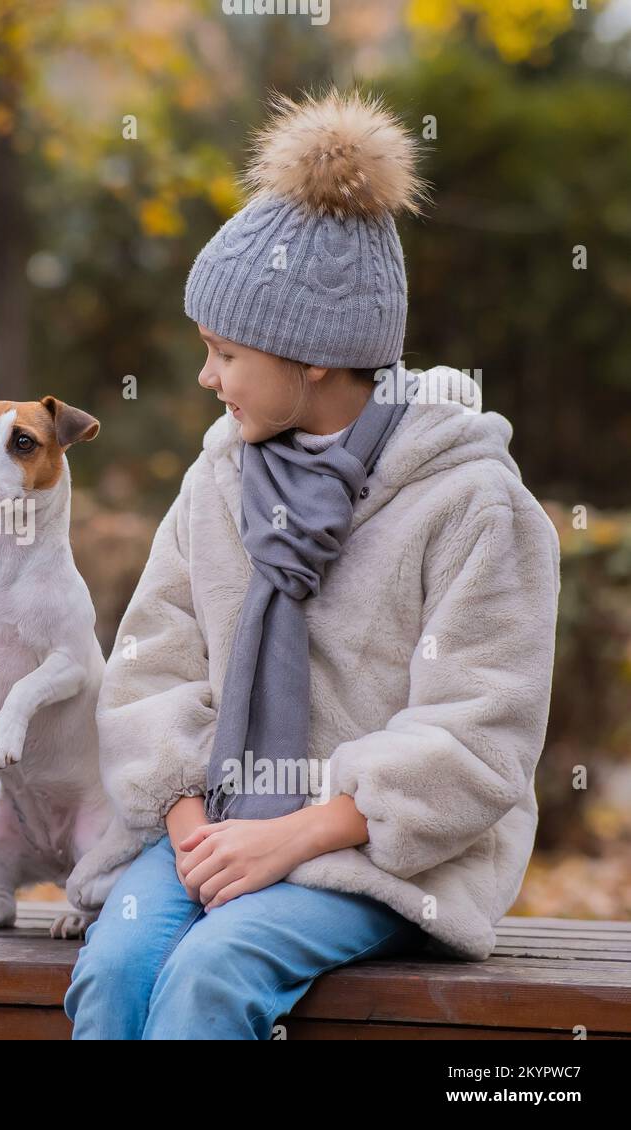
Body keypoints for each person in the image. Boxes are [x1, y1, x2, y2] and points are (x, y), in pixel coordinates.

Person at [64, 88, 561, 1038]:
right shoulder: (217, 480)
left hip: (376, 851)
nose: (207, 379)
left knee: (213, 973)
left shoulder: (472, 502)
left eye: (224, 353)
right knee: (118, 964)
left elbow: (480, 733)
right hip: (212, 827)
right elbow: (152, 670)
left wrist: (292, 833)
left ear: (316, 359)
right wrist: (196, 831)